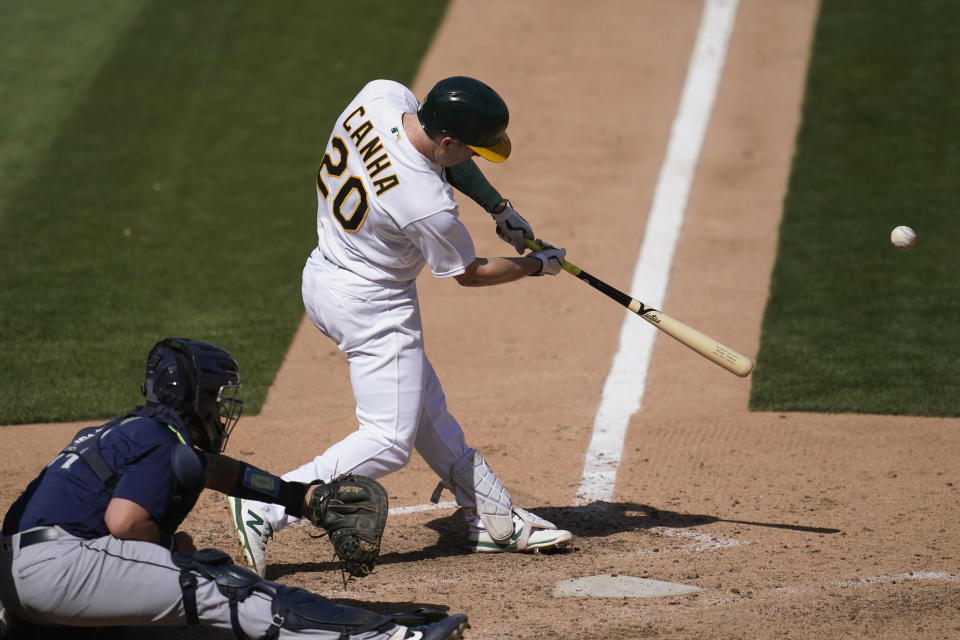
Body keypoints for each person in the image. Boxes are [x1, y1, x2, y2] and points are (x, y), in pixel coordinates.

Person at [227, 76, 573, 579]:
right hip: (374, 307)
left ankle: (494, 519)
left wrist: (498, 207)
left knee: (421, 402)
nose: (469, 156)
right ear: (449, 142)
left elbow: (436, 154)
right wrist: (539, 265)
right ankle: (267, 503)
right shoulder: (425, 201)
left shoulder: (380, 96)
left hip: (325, 273)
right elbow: (468, 274)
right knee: (389, 439)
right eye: (469, 149)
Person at [0, 338, 469, 640]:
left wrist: (299, 498)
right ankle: (383, 639)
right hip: (61, 571)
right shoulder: (160, 442)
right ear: (193, 397)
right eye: (217, 398)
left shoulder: (126, 432)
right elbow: (124, 522)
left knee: (200, 627)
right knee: (220, 584)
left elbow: (219, 472)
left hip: (21, 586)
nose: (222, 412)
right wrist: (167, 547)